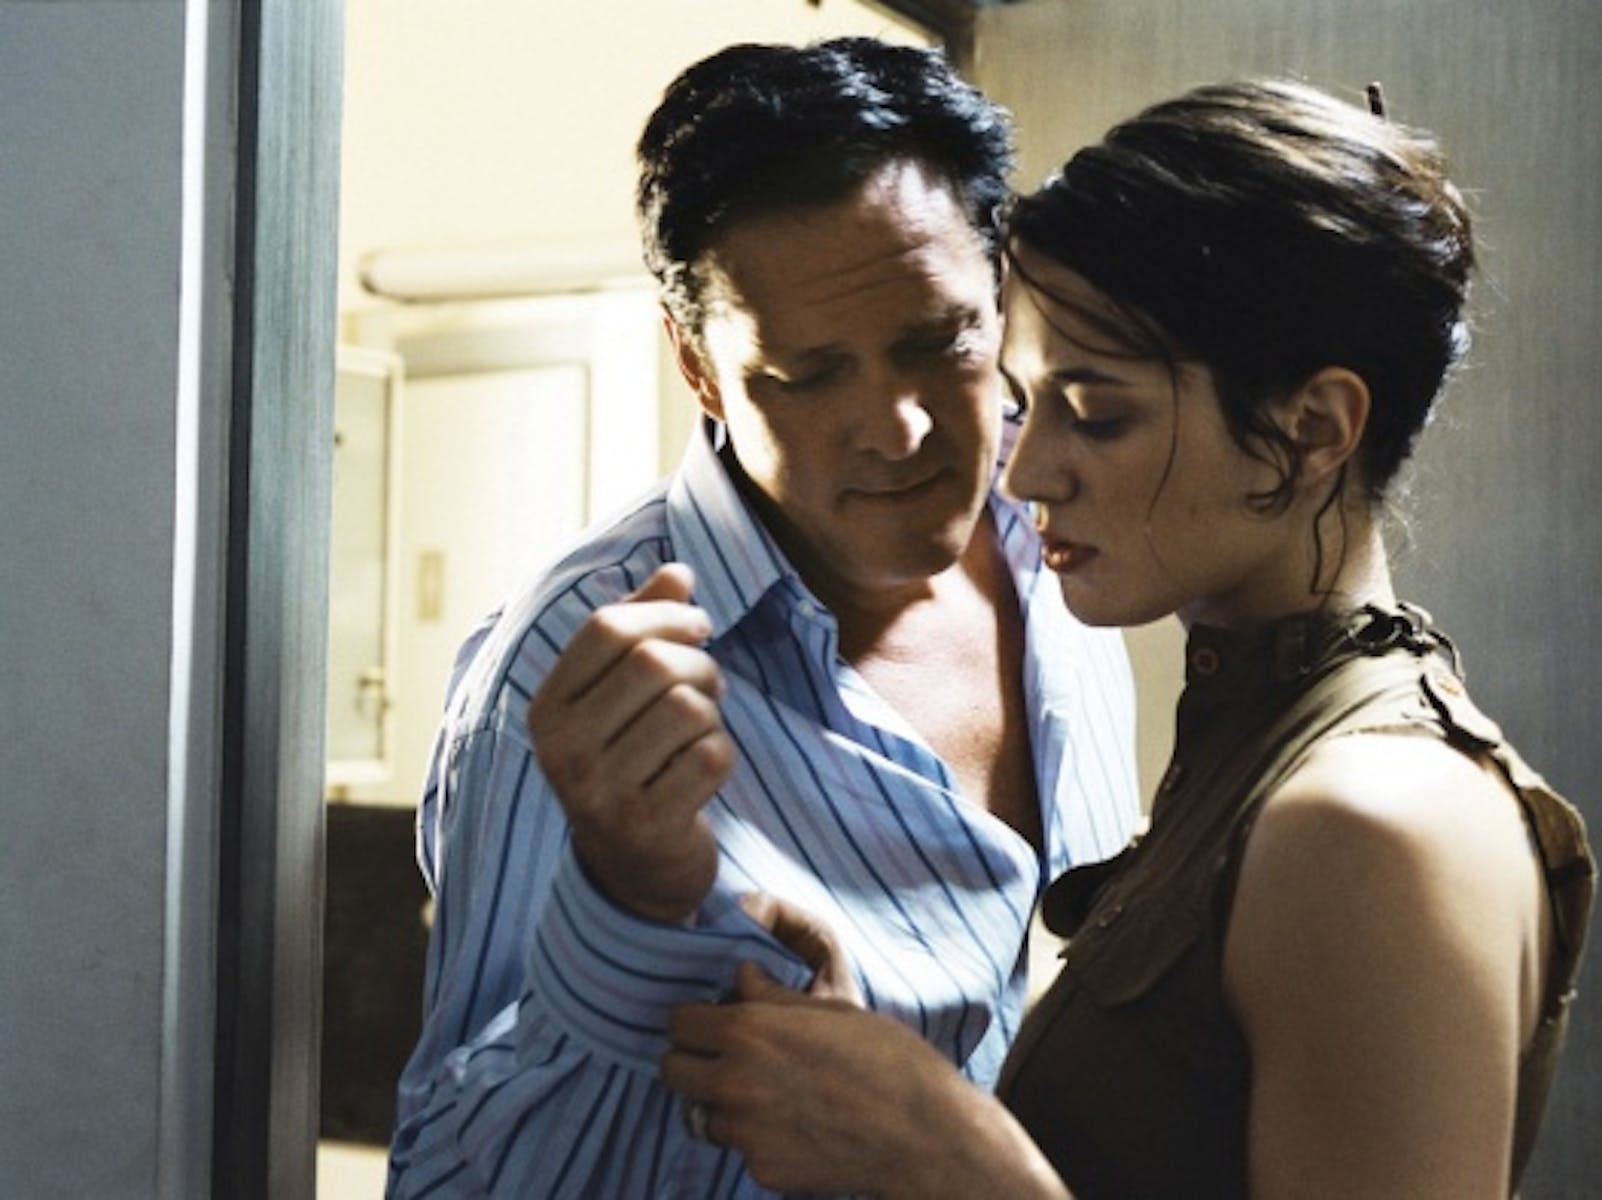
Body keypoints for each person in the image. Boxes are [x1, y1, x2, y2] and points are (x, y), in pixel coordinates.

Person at [660, 78, 1597, 1198]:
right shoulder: (1251, 753)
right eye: (1026, 402)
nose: (1025, 472)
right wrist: (873, 1075)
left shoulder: (1365, 824)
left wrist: (938, 1151)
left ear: (1310, 430)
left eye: (1098, 414)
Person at [386, 39, 1141, 1197]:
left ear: (1002, 291)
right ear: (698, 366)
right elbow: (454, 1182)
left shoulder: (1068, 541)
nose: (897, 429)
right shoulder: (570, 671)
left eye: (937, 340)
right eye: (810, 374)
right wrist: (628, 911)